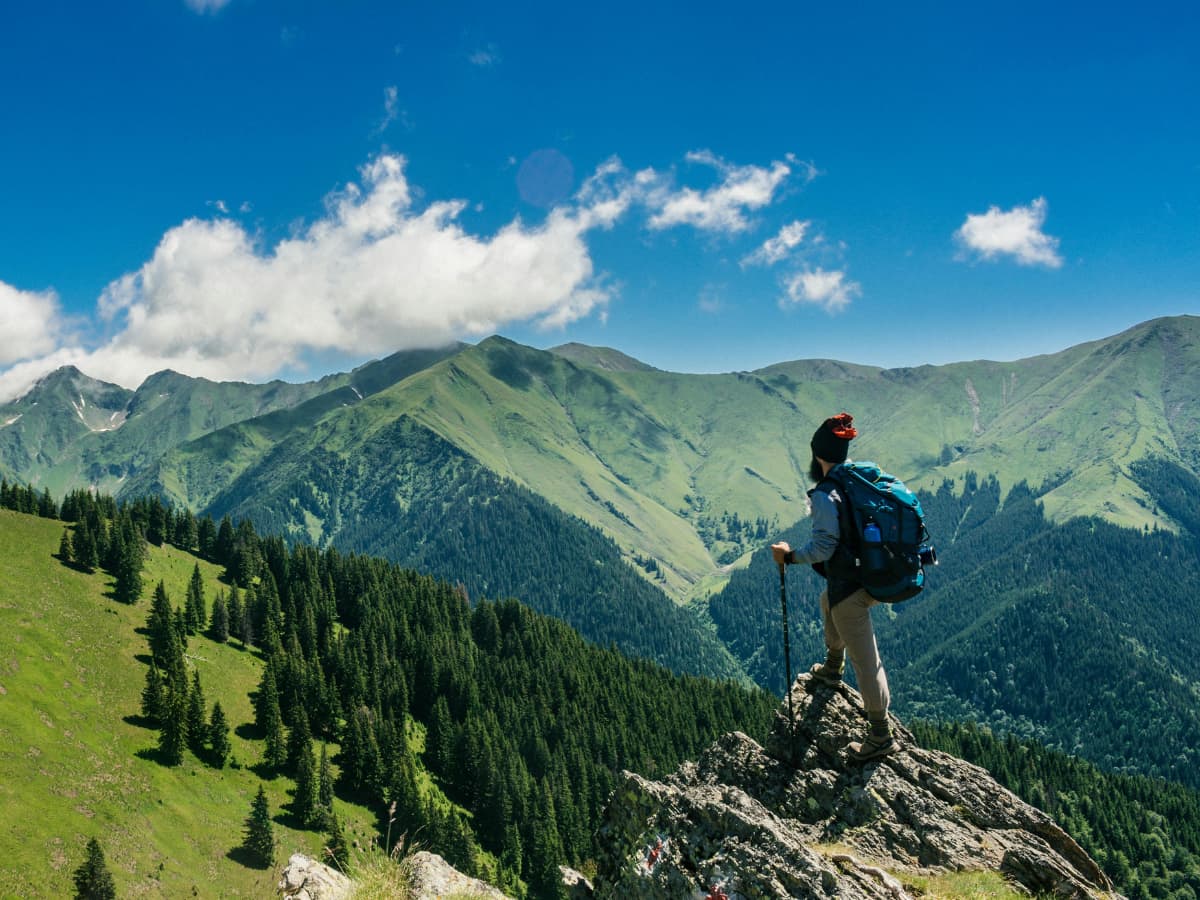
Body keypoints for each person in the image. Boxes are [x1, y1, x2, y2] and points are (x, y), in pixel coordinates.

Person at [770, 412, 896, 762]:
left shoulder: (827, 493)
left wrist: (789, 556)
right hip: (872, 572)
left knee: (866, 660)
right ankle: (832, 666)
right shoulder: (858, 477)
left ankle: (880, 734)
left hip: (853, 585)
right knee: (829, 602)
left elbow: (824, 547)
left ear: (818, 456)